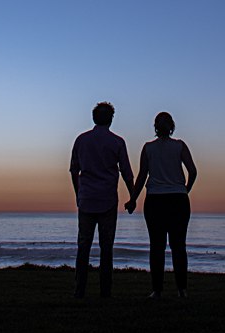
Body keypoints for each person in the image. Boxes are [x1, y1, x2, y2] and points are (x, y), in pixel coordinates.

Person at [127, 111, 198, 299]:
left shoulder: (148, 148)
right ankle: (182, 290)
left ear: (156, 127)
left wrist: (133, 199)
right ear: (172, 126)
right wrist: (185, 190)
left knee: (156, 246)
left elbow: (142, 176)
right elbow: (193, 171)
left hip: (155, 201)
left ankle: (157, 290)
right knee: (178, 246)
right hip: (178, 200)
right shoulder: (179, 146)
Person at [70, 101, 134, 298]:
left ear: (93, 118)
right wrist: (133, 196)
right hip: (107, 200)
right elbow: (126, 172)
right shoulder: (117, 142)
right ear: (111, 119)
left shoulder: (82, 140)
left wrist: (78, 194)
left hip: (87, 199)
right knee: (107, 248)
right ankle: (105, 292)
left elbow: (74, 170)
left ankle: (79, 290)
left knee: (83, 247)